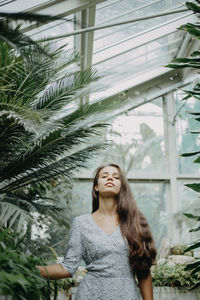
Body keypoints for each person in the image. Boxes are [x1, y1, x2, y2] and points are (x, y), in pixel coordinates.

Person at [37, 163, 157, 300]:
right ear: (96, 187)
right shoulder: (81, 223)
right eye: (104, 176)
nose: (110, 178)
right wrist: (29, 270)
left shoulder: (135, 222)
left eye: (116, 177)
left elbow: (143, 272)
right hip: (89, 294)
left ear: (122, 187)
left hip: (126, 295)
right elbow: (67, 268)